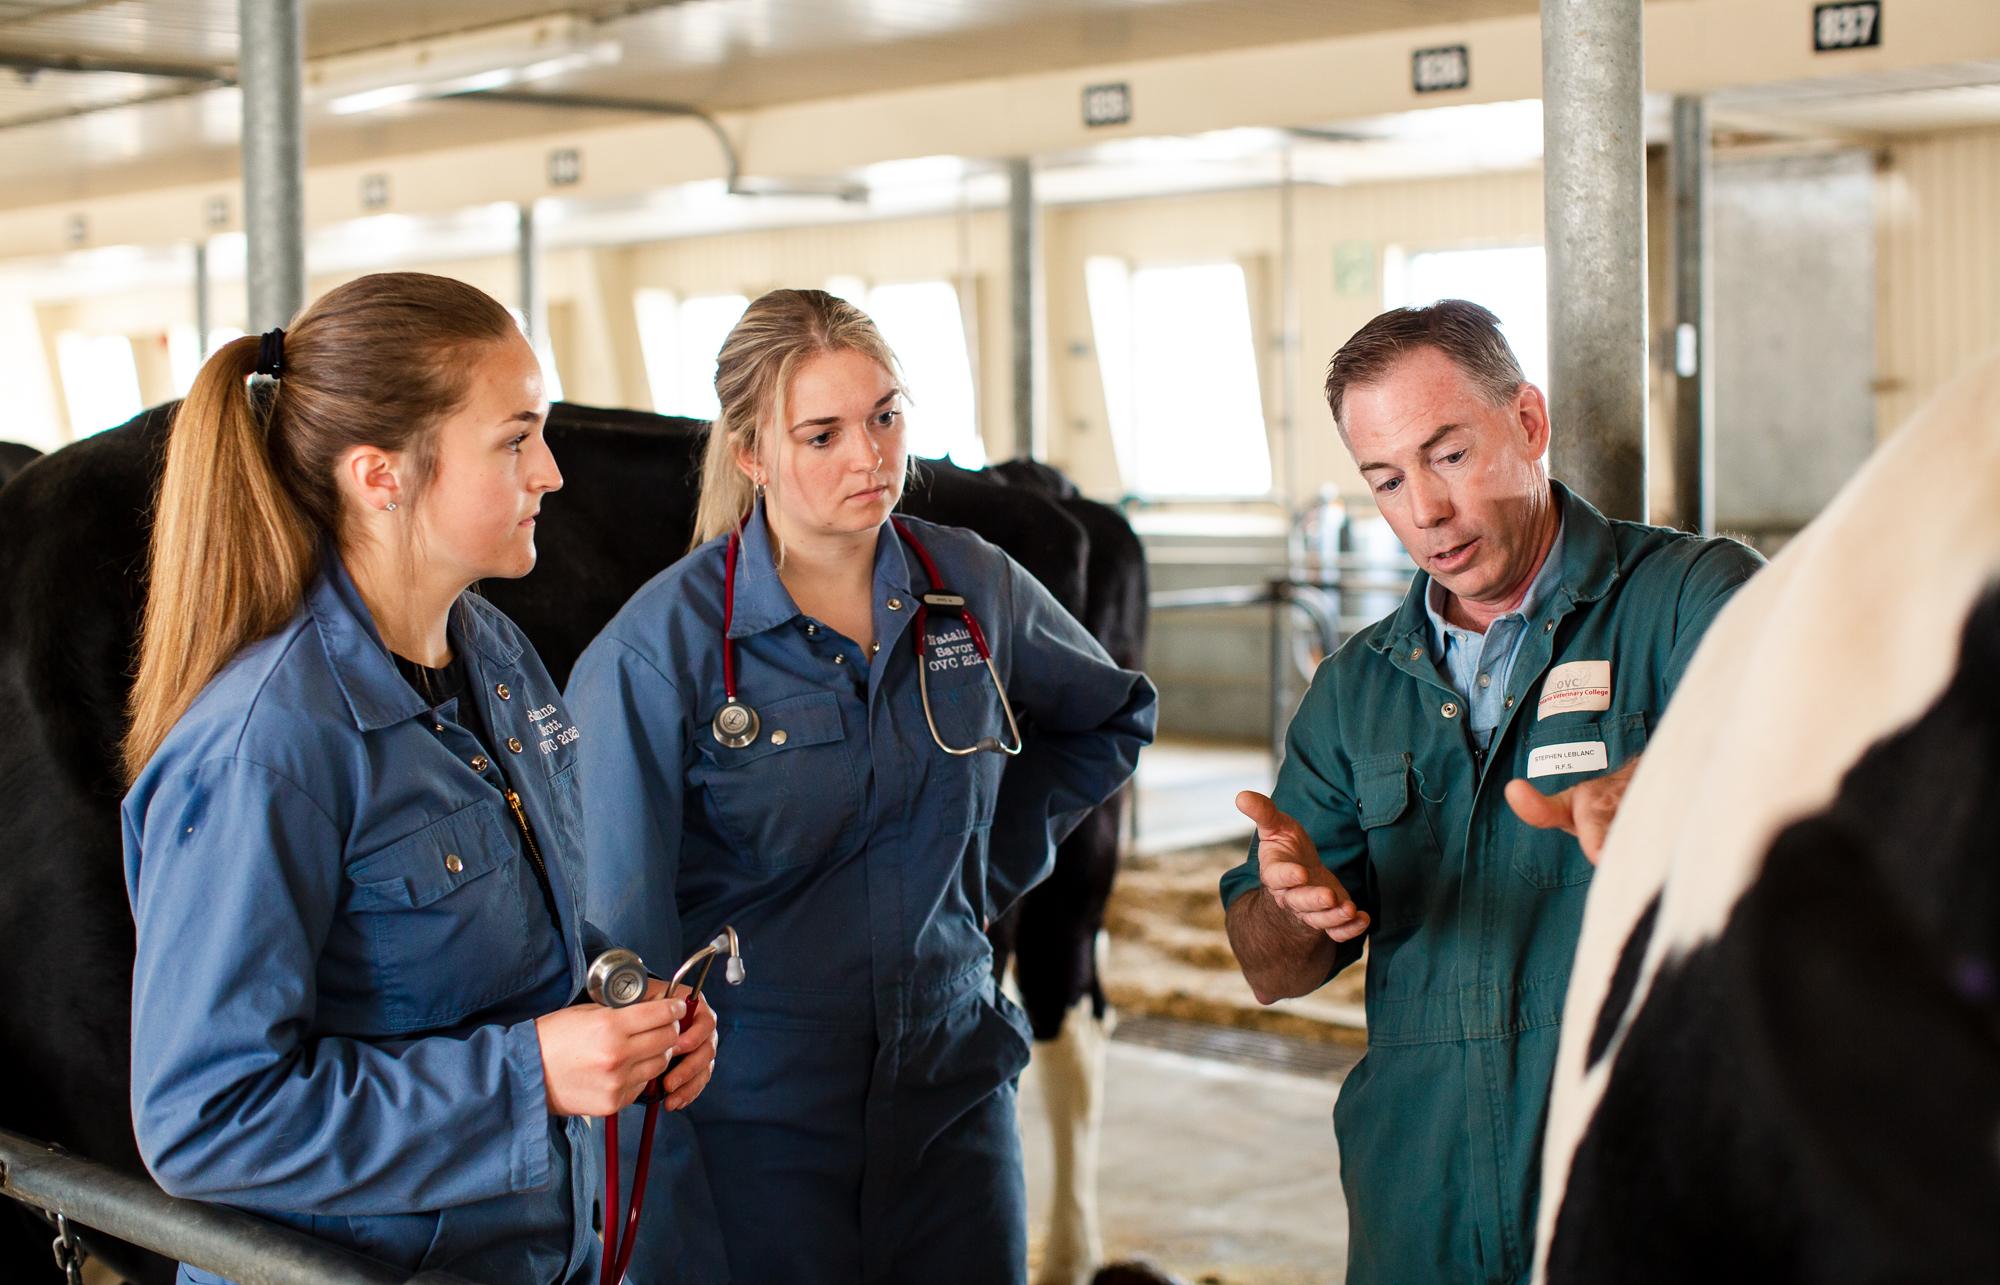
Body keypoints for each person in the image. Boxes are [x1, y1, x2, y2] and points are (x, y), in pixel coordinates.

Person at [121, 272, 718, 1285]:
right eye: (516, 437)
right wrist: (529, 1076)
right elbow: (202, 1122)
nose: (552, 473)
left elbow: (503, 947)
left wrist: (621, 1009)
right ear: (380, 474)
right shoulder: (266, 749)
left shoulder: (494, 657)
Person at [568, 288, 1157, 1284]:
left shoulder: (971, 588)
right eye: (822, 433)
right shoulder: (660, 650)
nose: (868, 456)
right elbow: (613, 938)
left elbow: (1106, 715)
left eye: (885, 415)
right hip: (752, 1117)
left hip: (953, 1099)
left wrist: (976, 877)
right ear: (750, 451)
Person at [1220, 300, 1762, 1284]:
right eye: (1386, 478)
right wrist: (1295, 908)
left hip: (1638, 1182)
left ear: (1527, 423)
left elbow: (1799, 742)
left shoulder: (1688, 597)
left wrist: (1667, 777)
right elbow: (1268, 970)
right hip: (1419, 1203)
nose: (1422, 509)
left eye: (1449, 455)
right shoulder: (1357, 689)